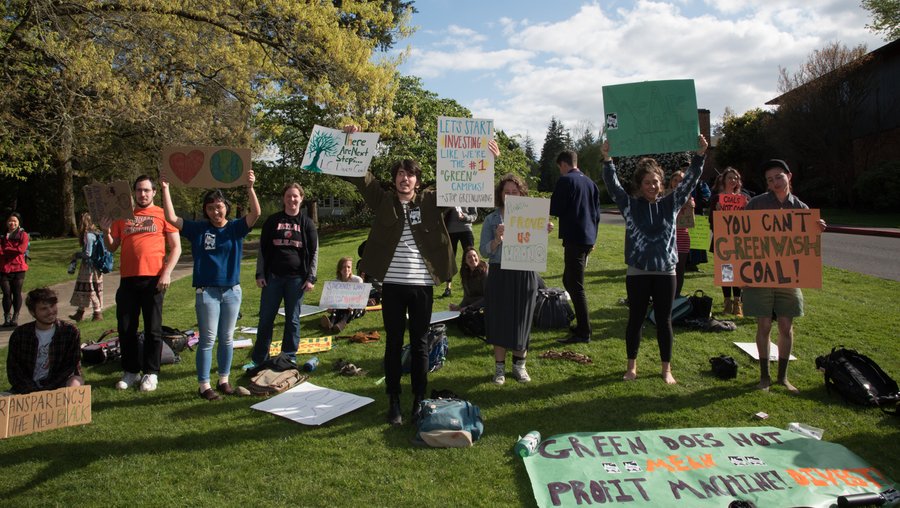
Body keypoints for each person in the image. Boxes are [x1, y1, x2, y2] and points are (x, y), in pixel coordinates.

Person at [346, 125, 493, 426]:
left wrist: (486, 160)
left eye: (410, 174)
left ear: (417, 179)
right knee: (392, 343)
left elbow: (465, 182)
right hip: (394, 285)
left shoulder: (430, 200)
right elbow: (359, 177)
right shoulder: (382, 200)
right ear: (394, 178)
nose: (405, 178)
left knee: (420, 344)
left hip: (422, 286)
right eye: (400, 173)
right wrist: (353, 141)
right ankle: (394, 402)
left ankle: (418, 400)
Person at [601, 135, 708, 384]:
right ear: (640, 185)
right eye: (647, 182)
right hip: (638, 271)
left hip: (665, 272)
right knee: (636, 319)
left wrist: (701, 156)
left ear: (661, 185)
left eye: (656, 182)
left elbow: (689, 182)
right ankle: (631, 367)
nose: (652, 186)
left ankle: (666, 369)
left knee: (664, 321)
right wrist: (607, 159)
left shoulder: (671, 203)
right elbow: (613, 185)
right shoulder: (629, 204)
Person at [161, 171, 260, 401]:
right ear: (206, 211)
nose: (216, 212)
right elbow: (172, 218)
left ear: (225, 206)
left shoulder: (235, 228)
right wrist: (165, 188)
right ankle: (204, 385)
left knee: (227, 338)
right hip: (207, 293)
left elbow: (256, 213)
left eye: (219, 206)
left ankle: (223, 380)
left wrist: (249, 187)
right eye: (211, 208)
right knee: (207, 339)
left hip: (232, 291)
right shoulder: (199, 230)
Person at [744, 159, 827, 393]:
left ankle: (782, 377)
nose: (774, 182)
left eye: (778, 177)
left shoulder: (801, 208)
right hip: (761, 274)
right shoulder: (756, 204)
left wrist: (816, 229)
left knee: (785, 324)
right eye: (770, 180)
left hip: (788, 276)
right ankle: (764, 377)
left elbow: (806, 244)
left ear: (789, 176)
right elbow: (740, 238)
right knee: (762, 324)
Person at [103, 175, 182, 392]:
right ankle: (130, 371)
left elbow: (176, 248)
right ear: (134, 192)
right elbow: (112, 247)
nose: (143, 194)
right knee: (126, 328)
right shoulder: (123, 215)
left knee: (153, 330)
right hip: (128, 280)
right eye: (139, 190)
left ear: (154, 192)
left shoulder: (163, 214)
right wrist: (105, 231)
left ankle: (151, 373)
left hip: (154, 280)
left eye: (147, 190)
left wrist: (166, 274)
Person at [480, 173, 552, 385]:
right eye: (506, 192)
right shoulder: (491, 219)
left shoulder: (532, 215)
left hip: (525, 272)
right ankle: (499, 369)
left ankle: (519, 366)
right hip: (500, 273)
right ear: (500, 194)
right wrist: (496, 240)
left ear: (521, 193)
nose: (510, 195)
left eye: (515, 191)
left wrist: (543, 231)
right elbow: (484, 251)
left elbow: (534, 244)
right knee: (500, 319)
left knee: (522, 319)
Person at [246, 183, 318, 370]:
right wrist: (260, 273)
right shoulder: (272, 221)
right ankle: (259, 358)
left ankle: (289, 356)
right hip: (273, 278)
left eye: (296, 196)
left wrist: (311, 278)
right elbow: (262, 250)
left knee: (292, 320)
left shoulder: (307, 223)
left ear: (301, 199)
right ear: (283, 198)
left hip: (297, 280)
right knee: (266, 319)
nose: (292, 199)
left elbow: (314, 252)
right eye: (288, 196)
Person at [550, 149, 601, 344]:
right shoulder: (591, 183)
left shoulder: (566, 181)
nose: (560, 172)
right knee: (568, 280)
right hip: (587, 238)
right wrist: (593, 239)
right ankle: (581, 324)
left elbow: (555, 208)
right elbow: (597, 215)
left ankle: (584, 331)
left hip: (574, 238)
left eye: (560, 168)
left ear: (563, 164)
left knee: (576, 286)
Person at [7, 287, 83, 394]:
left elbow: (71, 366)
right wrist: (32, 390)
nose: (50, 312)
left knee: (76, 382)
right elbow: (14, 370)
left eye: (52, 306)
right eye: (44, 309)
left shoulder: (70, 331)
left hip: (58, 384)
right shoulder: (20, 334)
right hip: (27, 387)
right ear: (33, 312)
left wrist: (48, 390)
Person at [708, 167, 752, 317]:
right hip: (723, 241)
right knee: (727, 272)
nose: (733, 181)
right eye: (730, 178)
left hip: (739, 241)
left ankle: (737, 303)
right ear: (723, 180)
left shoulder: (744, 198)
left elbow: (750, 222)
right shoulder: (717, 198)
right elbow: (711, 222)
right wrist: (718, 212)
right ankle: (727, 302)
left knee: (738, 272)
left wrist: (747, 209)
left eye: (735, 178)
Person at [69, 212, 104, 322]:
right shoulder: (94, 233)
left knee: (90, 289)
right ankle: (80, 312)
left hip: (89, 268)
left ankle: (97, 313)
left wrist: (77, 255)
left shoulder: (89, 235)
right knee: (84, 289)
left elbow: (88, 253)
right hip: (93, 267)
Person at [320, 256, 365, 333]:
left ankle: (340, 324)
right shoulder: (335, 283)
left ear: (351, 268)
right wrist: (328, 307)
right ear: (339, 269)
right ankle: (331, 323)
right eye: (344, 267)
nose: (346, 269)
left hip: (355, 308)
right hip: (340, 307)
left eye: (348, 267)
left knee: (348, 310)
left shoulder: (357, 280)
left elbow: (361, 298)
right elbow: (331, 300)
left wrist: (353, 305)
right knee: (336, 308)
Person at [668, 170, 695, 297]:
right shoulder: (664, 197)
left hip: (683, 237)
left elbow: (690, 221)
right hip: (667, 238)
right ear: (671, 182)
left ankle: (676, 295)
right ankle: (666, 295)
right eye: (675, 180)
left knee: (680, 269)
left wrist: (692, 207)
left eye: (681, 181)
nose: (678, 183)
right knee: (667, 268)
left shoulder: (689, 198)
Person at [441, 206, 477, 298]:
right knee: (450, 259)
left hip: (466, 230)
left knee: (471, 258)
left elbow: (474, 215)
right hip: (451, 231)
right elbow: (441, 212)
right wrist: (448, 208)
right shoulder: (448, 196)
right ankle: (448, 288)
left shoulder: (470, 195)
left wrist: (465, 217)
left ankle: (473, 286)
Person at [1, 212, 29, 328]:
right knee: (6, 294)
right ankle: (7, 316)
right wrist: (12, 249)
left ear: (18, 223)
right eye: (10, 221)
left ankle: (15, 317)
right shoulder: (2, 236)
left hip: (18, 268)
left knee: (16, 293)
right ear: (7, 222)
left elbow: (21, 250)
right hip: (4, 268)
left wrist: (7, 249)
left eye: (15, 221)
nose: (12, 223)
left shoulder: (23, 235)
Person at [448, 247, 488, 312]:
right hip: (473, 307)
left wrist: (470, 307)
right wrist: (459, 307)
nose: (472, 258)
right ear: (465, 261)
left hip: (485, 308)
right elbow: (467, 297)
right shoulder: (465, 273)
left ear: (478, 257)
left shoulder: (485, 271)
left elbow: (488, 297)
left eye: (474, 256)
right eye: (469, 257)